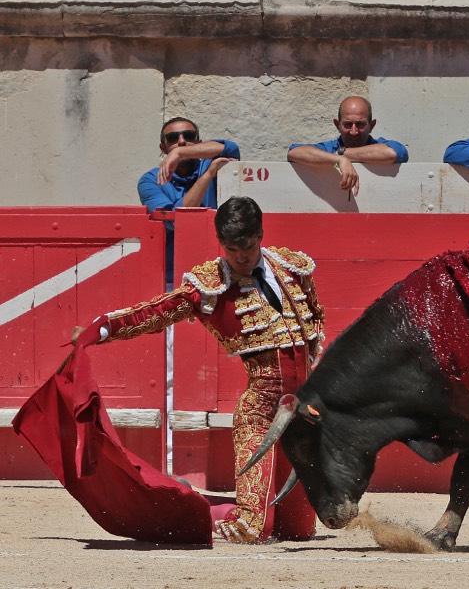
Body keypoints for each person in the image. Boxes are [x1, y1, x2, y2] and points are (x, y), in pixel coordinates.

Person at [72, 196, 325, 544]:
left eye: (247, 247)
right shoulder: (210, 286)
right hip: (261, 414)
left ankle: (210, 500)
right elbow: (157, 312)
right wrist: (102, 329)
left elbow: (314, 324)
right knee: (252, 531)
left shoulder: (292, 270)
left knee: (298, 531)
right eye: (231, 249)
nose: (240, 257)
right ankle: (190, 504)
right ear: (221, 244)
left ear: (261, 236)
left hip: (302, 417)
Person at [138, 117, 240, 285]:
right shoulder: (150, 180)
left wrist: (178, 152)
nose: (182, 141)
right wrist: (207, 176)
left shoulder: (208, 164)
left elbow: (231, 149)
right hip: (175, 276)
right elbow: (176, 221)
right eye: (173, 139)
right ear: (163, 148)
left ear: (198, 142)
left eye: (189, 135)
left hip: (220, 271)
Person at [287, 96, 409, 197]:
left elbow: (394, 153)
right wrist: (339, 160)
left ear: (371, 125)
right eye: (348, 124)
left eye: (360, 124)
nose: (354, 131)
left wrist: (342, 154)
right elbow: (294, 152)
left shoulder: (336, 151)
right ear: (337, 125)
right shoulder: (329, 148)